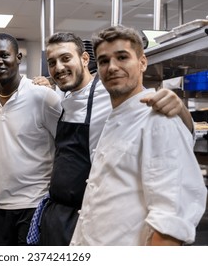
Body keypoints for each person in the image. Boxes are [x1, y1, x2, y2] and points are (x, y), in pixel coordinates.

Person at [29, 32, 195, 246]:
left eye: (66, 58)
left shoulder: (121, 97)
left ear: (85, 60)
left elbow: (173, 207)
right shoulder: (62, 97)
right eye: (52, 62)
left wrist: (181, 110)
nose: (112, 68)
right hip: (64, 216)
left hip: (98, 217)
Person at [70, 25, 207, 246]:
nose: (112, 67)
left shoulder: (158, 118)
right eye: (104, 61)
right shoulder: (115, 116)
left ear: (142, 62)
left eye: (122, 57)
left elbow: (170, 218)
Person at [0, 33, 62, 245]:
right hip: (0, 203)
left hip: (36, 202)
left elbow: (64, 146)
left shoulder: (43, 96)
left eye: (4, 55)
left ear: (19, 57)